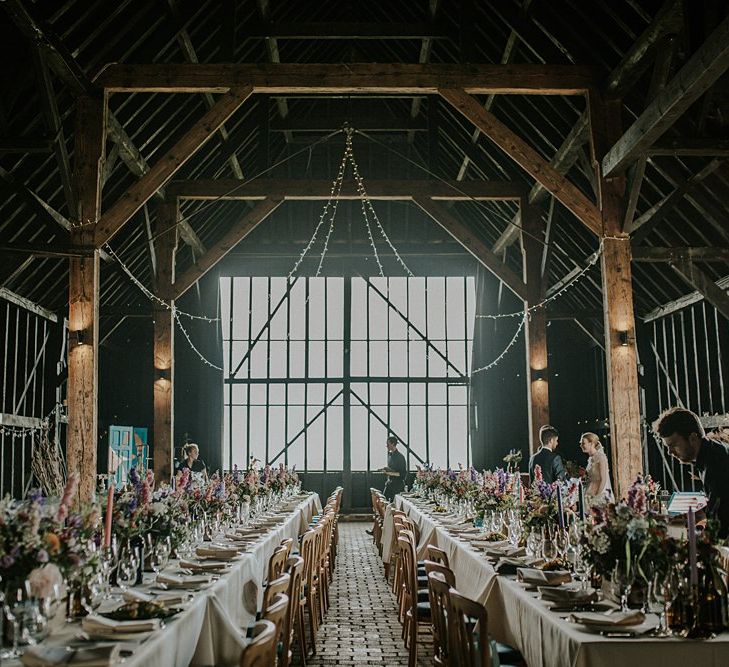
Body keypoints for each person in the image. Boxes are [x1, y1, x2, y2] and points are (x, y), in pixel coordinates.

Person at [653, 407, 729, 538]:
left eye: (674, 445)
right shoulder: (710, 453)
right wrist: (684, 518)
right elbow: (716, 505)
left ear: (693, 438)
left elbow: (720, 524)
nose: (669, 453)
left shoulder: (716, 463)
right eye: (667, 447)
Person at [579, 432, 614, 502]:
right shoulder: (591, 458)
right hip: (589, 491)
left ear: (591, 443)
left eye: (583, 443)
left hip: (600, 493)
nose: (581, 445)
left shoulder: (601, 457)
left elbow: (603, 479)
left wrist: (596, 496)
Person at [381, 436, 407, 502]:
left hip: (397, 487)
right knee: (384, 502)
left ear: (393, 444)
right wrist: (386, 469)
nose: (386, 446)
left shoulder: (400, 457)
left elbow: (402, 474)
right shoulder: (390, 456)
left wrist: (387, 473)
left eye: (388, 444)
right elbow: (393, 469)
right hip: (389, 484)